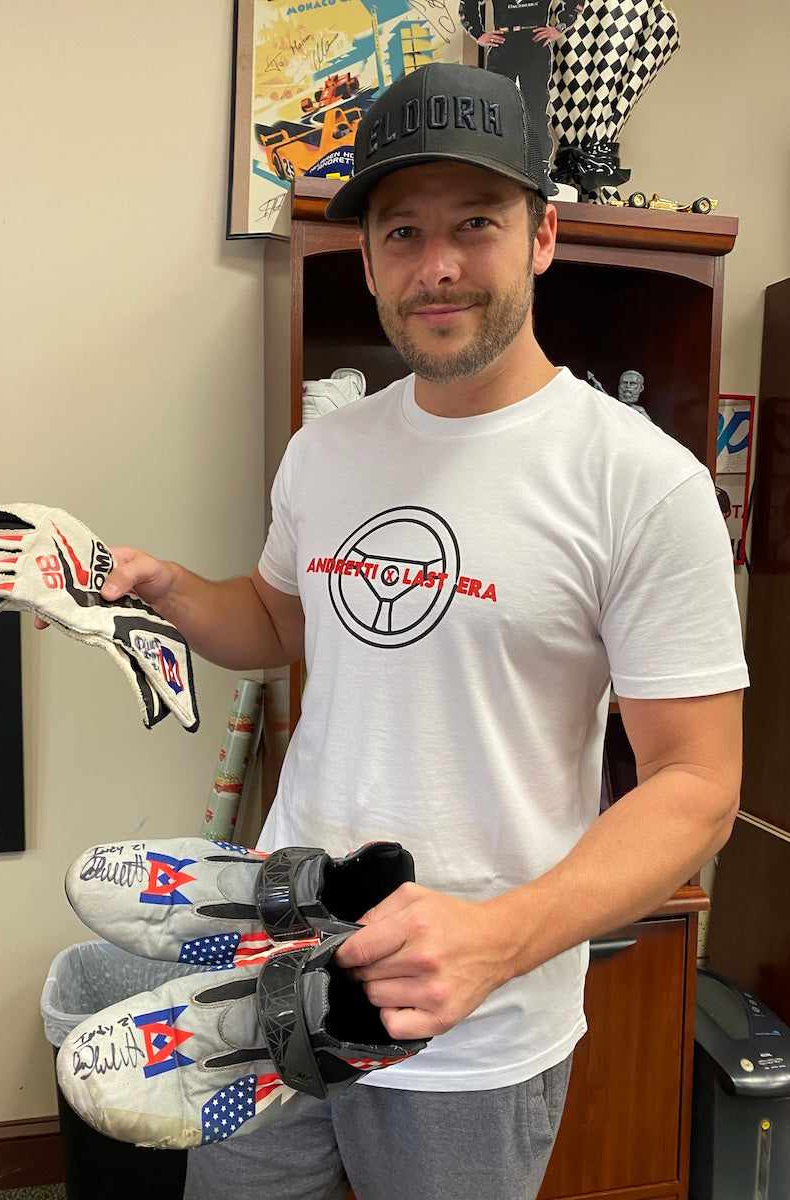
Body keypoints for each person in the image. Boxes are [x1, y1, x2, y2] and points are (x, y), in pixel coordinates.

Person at [95, 63, 747, 1200]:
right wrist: (164, 587)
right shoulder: (327, 451)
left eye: (475, 224)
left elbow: (697, 785)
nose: (436, 264)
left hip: (471, 1029)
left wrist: (503, 937)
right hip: (276, 967)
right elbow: (279, 621)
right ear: (366, 259)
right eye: (402, 231)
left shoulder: (642, 483)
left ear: (544, 237)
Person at [459, 1, 585, 174]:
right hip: (503, 46)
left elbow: (576, 3)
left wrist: (559, 27)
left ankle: (540, 168)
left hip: (535, 45)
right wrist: (478, 33)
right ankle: (498, 165)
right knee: (497, 109)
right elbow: (467, 4)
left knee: (536, 110)